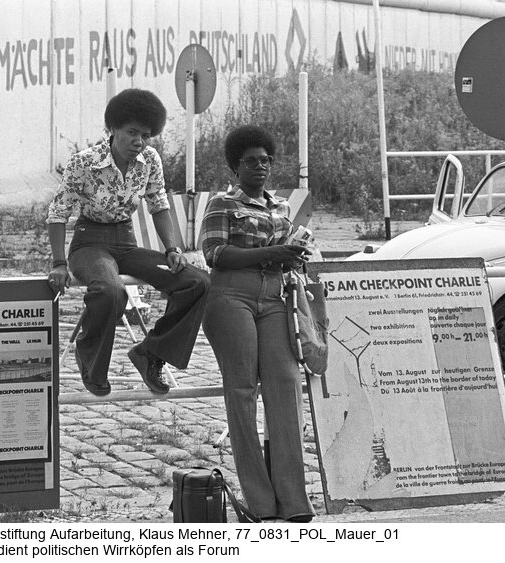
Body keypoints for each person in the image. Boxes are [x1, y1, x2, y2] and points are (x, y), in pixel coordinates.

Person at [46, 88, 209, 396]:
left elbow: (159, 205)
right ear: (114, 129)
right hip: (89, 244)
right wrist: (58, 263)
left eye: (146, 135)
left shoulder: (149, 160)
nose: (139, 141)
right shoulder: (84, 162)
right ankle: (90, 360)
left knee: (197, 282)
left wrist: (172, 249)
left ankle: (151, 354)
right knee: (110, 291)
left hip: (127, 243)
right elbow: (58, 213)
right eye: (132, 133)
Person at [200, 125, 315, 522]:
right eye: (251, 161)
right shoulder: (222, 204)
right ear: (236, 166)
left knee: (285, 387)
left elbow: (287, 254)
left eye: (266, 160)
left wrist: (293, 253)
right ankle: (262, 503)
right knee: (243, 391)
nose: (261, 167)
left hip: (275, 296)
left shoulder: (281, 207)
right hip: (231, 297)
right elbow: (215, 254)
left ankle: (294, 503)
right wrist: (274, 251)